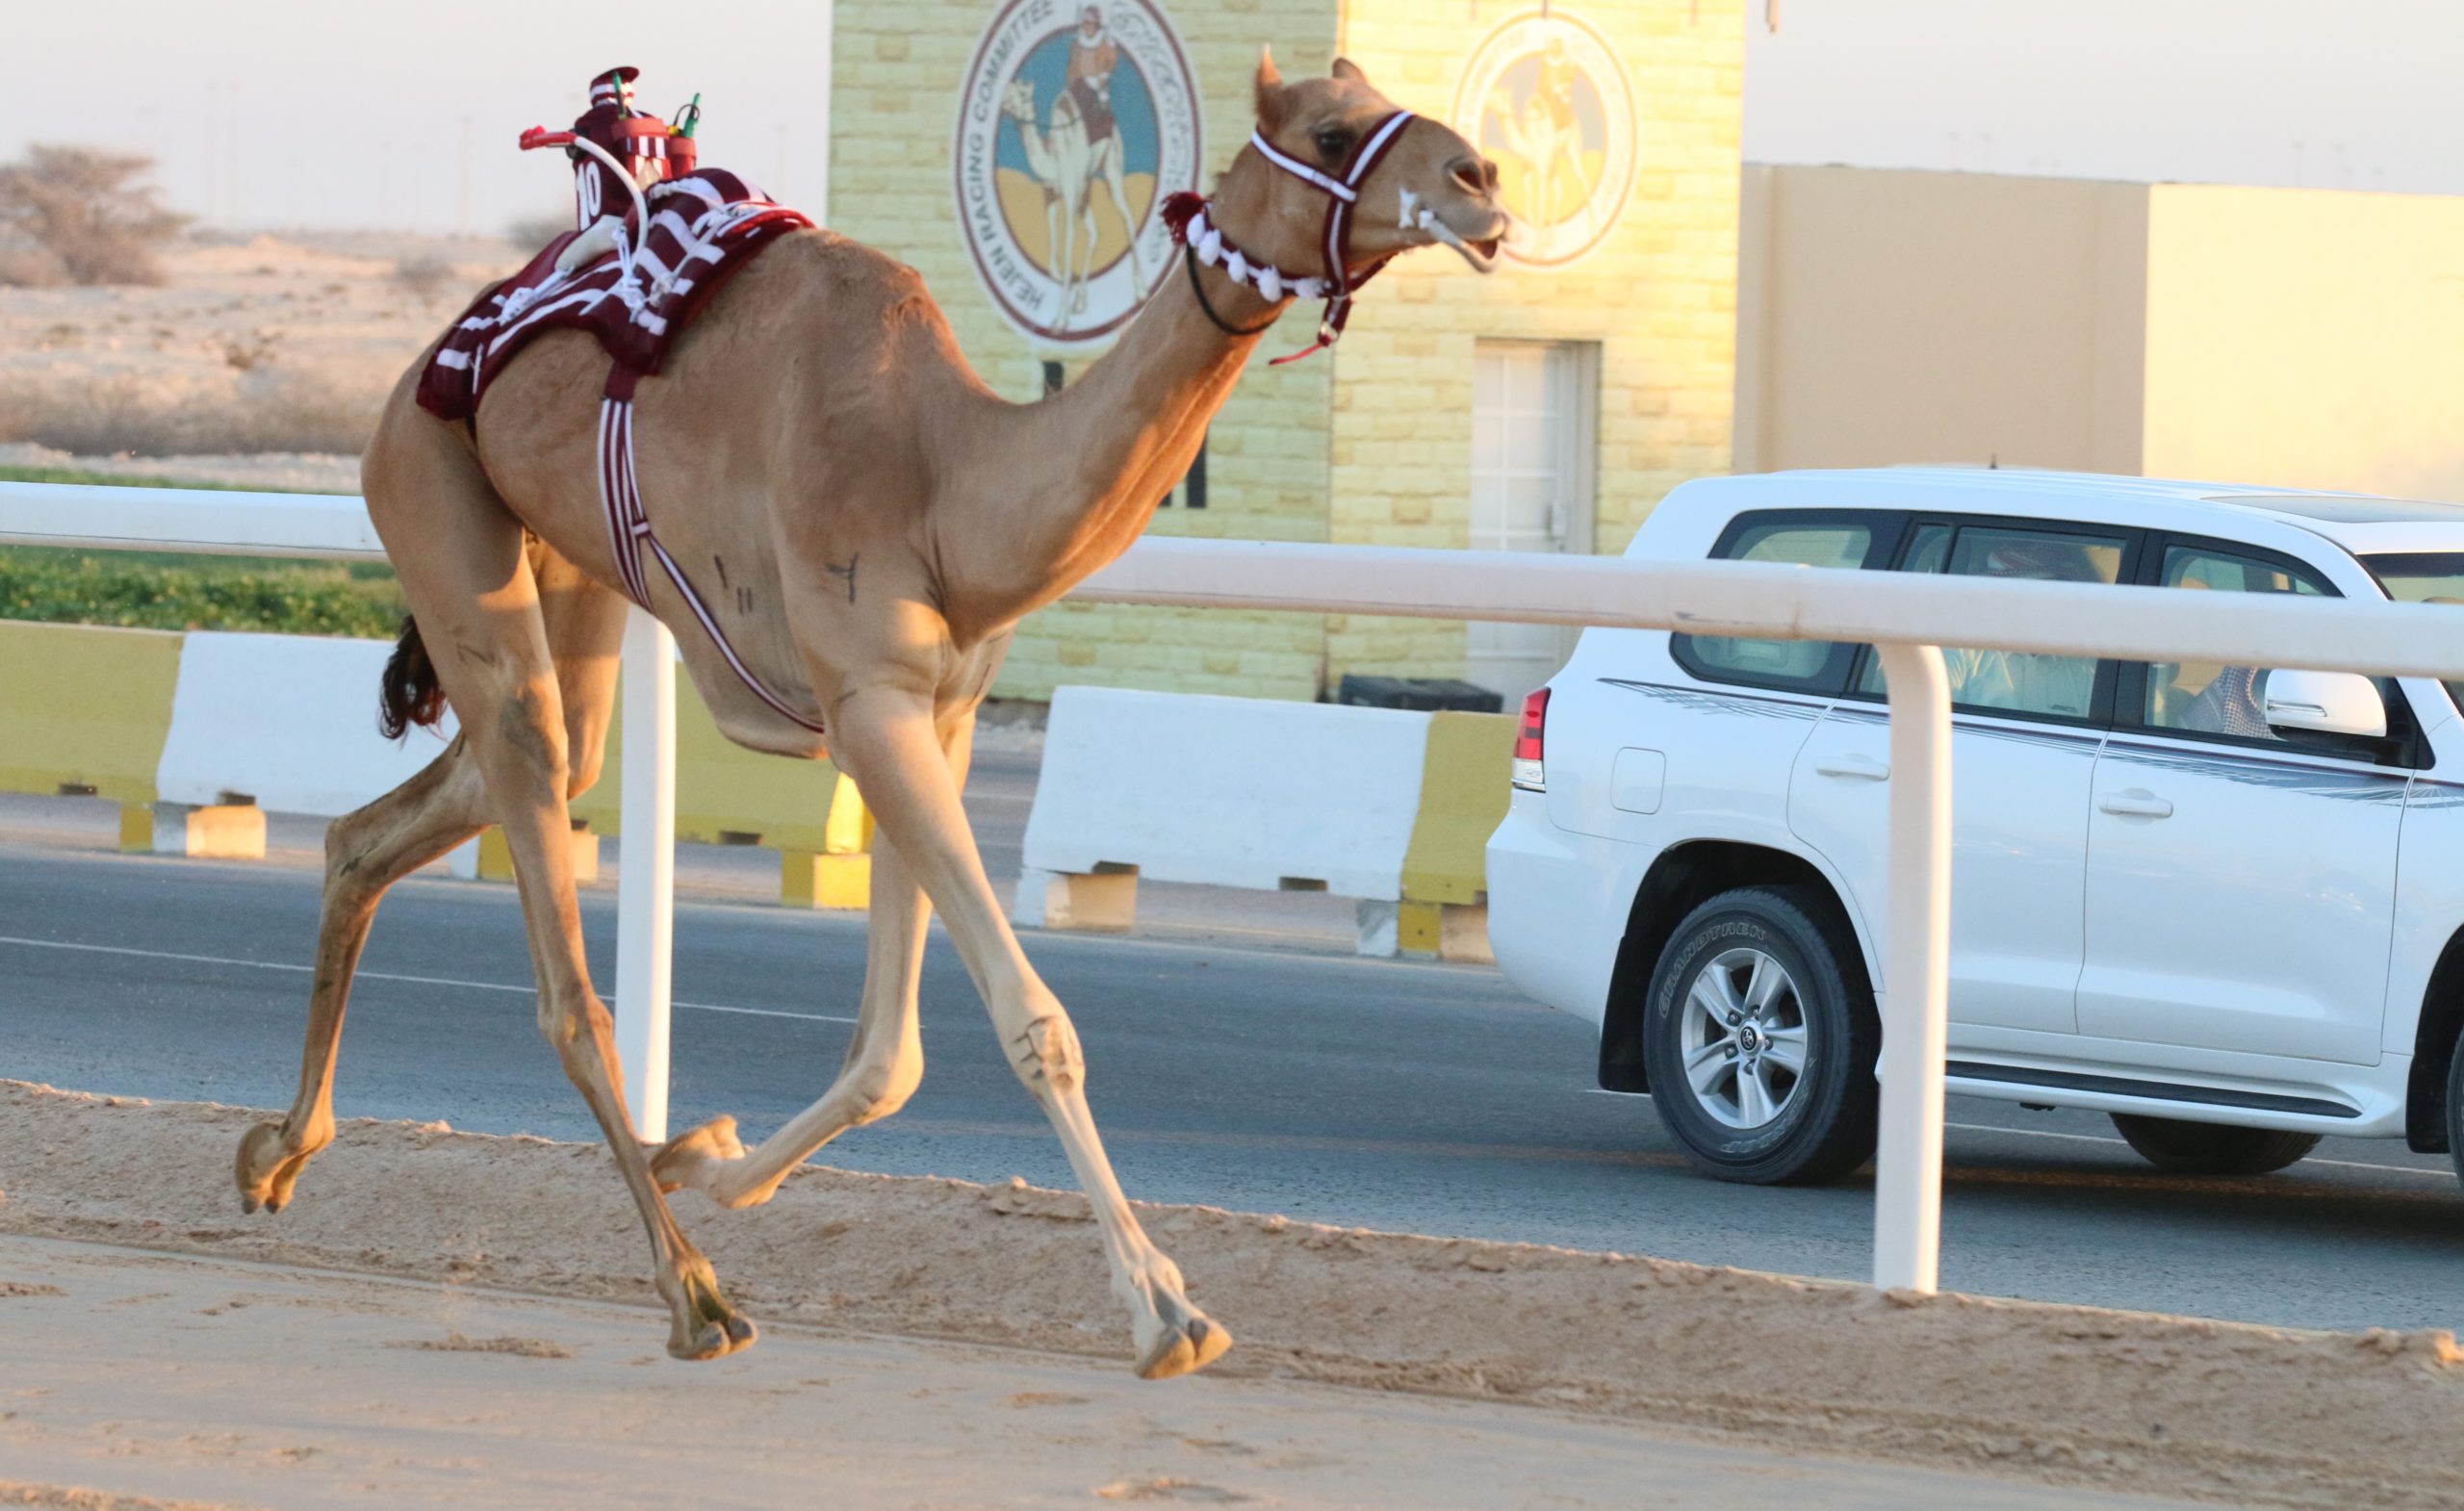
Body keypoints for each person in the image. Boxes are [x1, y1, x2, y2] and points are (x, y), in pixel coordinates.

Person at [558, 66, 675, 272]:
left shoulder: (587, 125)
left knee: (561, 266)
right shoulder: (646, 121)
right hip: (650, 224)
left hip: (599, 231)